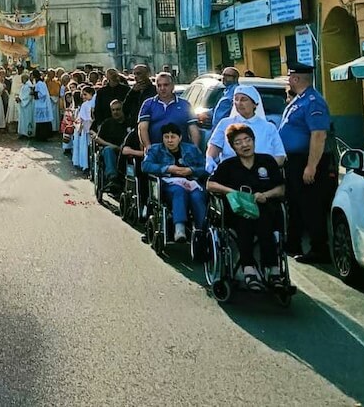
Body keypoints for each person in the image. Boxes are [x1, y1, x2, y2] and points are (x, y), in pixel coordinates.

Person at [207, 124, 287, 290]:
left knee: (265, 221)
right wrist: (233, 192)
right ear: (233, 146)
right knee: (244, 221)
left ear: (253, 140)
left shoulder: (267, 161)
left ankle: (273, 270)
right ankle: (249, 269)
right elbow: (210, 185)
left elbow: (281, 188)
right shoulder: (228, 165)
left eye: (247, 140)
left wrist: (266, 195)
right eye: (238, 142)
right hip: (237, 210)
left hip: (265, 206)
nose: (244, 145)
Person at [278, 63, 333, 263]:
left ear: (296, 79)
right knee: (296, 203)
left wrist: (311, 166)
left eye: (289, 77)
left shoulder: (313, 101)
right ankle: (293, 243)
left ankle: (319, 248)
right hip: (294, 161)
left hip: (307, 160)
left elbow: (318, 135)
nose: (287, 80)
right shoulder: (299, 100)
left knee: (311, 205)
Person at [142, 122, 208, 243]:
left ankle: (202, 231)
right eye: (166, 137)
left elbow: (206, 167)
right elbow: (145, 166)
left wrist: (190, 170)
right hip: (169, 185)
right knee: (179, 190)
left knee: (197, 196)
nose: (170, 140)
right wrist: (167, 168)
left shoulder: (191, 149)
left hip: (191, 182)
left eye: (173, 137)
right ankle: (179, 228)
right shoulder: (156, 149)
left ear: (180, 138)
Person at [206, 85, 285, 171]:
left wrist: (264, 167)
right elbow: (215, 145)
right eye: (236, 99)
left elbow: (280, 156)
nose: (239, 103)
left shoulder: (268, 127)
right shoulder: (225, 123)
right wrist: (210, 159)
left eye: (244, 99)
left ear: (255, 104)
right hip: (231, 173)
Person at [137, 72, 200, 151]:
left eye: (166, 85)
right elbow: (142, 128)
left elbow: (193, 129)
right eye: (159, 85)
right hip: (156, 151)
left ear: (172, 86)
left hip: (181, 151)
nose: (162, 88)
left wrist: (195, 148)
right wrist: (148, 147)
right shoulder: (148, 104)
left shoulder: (185, 105)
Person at [95, 100, 129, 187]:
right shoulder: (107, 123)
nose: (115, 112)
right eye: (113, 110)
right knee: (108, 150)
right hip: (110, 150)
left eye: (118, 109)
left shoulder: (129, 122)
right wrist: (112, 146)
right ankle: (113, 178)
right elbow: (98, 139)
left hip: (126, 150)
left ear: (122, 109)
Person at [91, 68, 129, 133]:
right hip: (106, 125)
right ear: (107, 77)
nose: (113, 76)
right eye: (111, 74)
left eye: (114, 74)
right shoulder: (101, 92)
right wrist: (100, 124)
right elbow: (98, 110)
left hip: (123, 125)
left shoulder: (126, 90)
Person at [123, 64, 155, 128]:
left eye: (139, 73)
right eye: (134, 74)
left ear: (147, 74)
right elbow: (125, 109)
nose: (136, 76)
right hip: (135, 126)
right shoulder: (132, 92)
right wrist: (132, 92)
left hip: (151, 125)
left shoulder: (155, 90)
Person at [72, 86, 95, 170]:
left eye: (85, 94)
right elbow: (81, 118)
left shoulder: (92, 103)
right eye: (83, 95)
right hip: (86, 128)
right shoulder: (85, 104)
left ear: (91, 94)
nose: (83, 97)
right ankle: (86, 164)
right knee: (86, 147)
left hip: (91, 127)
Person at [16, 72, 34, 138]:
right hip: (23, 106)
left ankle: (27, 133)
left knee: (27, 119)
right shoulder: (25, 85)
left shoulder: (28, 86)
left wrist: (21, 100)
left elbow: (28, 97)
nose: (21, 80)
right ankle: (23, 132)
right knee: (23, 119)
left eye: (22, 79)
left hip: (27, 106)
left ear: (25, 79)